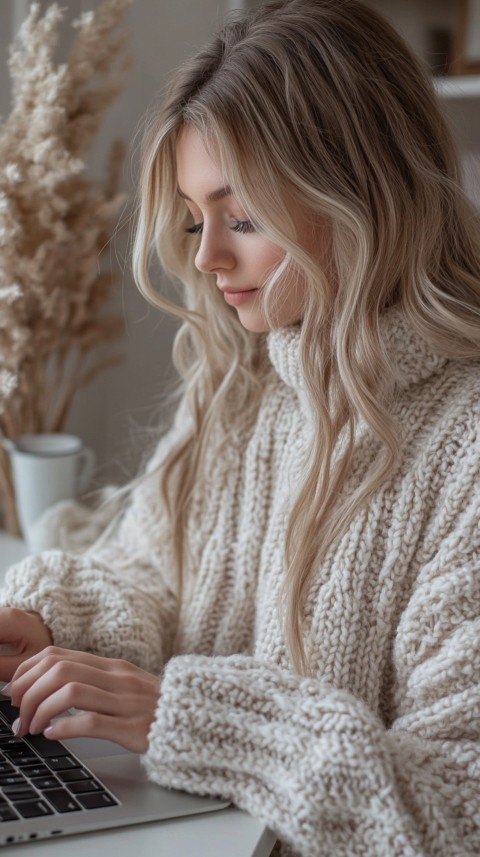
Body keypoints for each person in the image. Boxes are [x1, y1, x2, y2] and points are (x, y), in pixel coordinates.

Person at [0, 0, 479, 854]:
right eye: (194, 217)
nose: (207, 256)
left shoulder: (467, 446)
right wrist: (48, 620)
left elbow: (455, 809)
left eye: (243, 217)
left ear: (364, 191)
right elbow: (154, 570)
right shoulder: (243, 375)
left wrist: (186, 716)